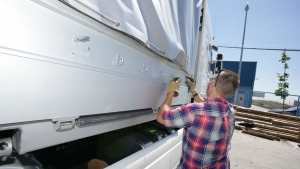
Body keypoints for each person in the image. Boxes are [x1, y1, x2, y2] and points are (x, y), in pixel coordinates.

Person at [157, 70, 240, 169]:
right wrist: (194, 92)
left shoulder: (195, 110)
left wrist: (171, 92)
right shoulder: (230, 111)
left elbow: (161, 117)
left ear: (213, 84)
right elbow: (211, 107)